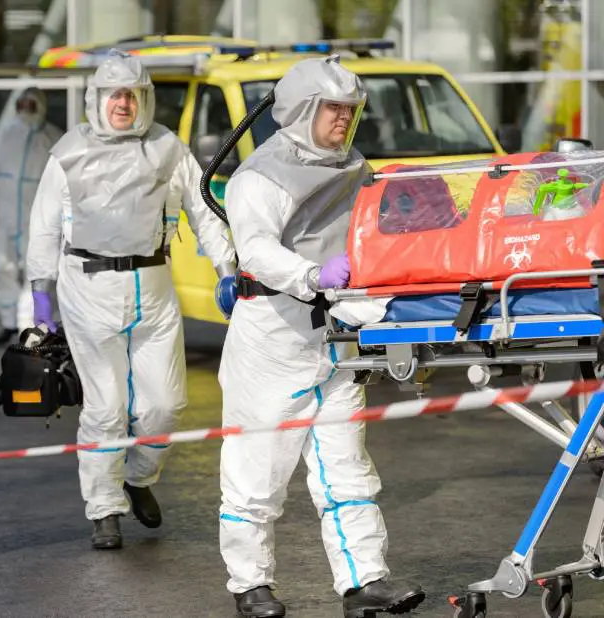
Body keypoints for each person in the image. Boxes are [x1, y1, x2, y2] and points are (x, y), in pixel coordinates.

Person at [217, 57, 425, 618]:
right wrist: (311, 276)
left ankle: (364, 582)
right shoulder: (261, 176)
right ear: (303, 110)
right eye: (334, 109)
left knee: (347, 469)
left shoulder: (353, 165)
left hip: (336, 340)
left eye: (351, 111)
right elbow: (257, 249)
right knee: (257, 468)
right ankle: (250, 584)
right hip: (272, 337)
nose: (344, 120)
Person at [27, 51, 237, 549]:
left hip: (154, 287)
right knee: (106, 408)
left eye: (132, 95)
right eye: (114, 95)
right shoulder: (68, 153)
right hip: (88, 287)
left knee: (166, 405)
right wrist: (40, 296)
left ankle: (139, 477)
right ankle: (104, 510)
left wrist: (227, 267)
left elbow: (204, 212)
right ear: (96, 99)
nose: (123, 104)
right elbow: (43, 227)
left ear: (145, 99)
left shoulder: (167, 149)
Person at [0, 87, 64, 345]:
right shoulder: (6, 134)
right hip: (6, 212)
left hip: (36, 217)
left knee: (35, 271)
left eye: (31, 104)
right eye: (22, 104)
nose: (26, 109)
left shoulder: (53, 138)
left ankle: (27, 325)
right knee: (0, 269)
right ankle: (9, 322)